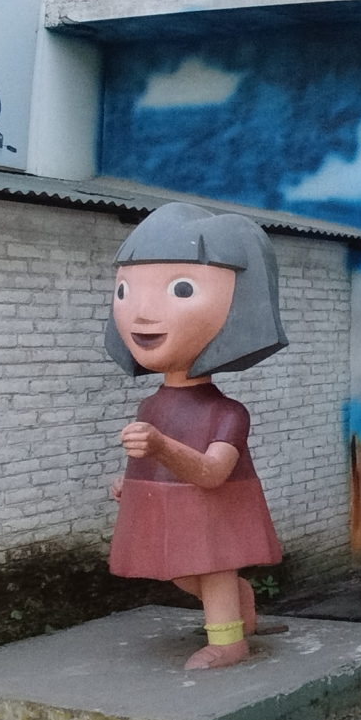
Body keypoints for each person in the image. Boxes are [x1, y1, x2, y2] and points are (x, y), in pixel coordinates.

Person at [104, 204, 288, 671]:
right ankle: (243, 608)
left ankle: (228, 642)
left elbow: (212, 473)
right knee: (183, 573)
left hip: (217, 506)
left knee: (214, 567)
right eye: (125, 290)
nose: (142, 312)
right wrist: (134, 484)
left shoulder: (228, 412)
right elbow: (154, 461)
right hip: (170, 510)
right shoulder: (151, 406)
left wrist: (160, 446)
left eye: (181, 289)